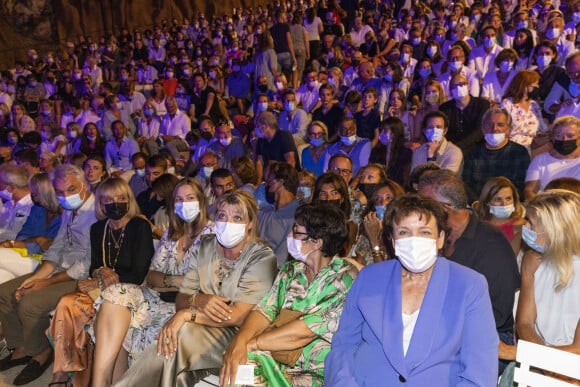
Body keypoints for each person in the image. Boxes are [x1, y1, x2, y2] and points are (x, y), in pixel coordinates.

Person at [325, 194, 498, 385]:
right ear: (392, 240)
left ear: (440, 239)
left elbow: (480, 372)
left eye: (424, 232)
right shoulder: (369, 278)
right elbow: (344, 345)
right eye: (404, 232)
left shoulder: (470, 285)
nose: (414, 241)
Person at [112, 190, 278, 387]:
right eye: (222, 216)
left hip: (239, 336)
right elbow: (182, 298)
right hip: (203, 328)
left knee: (182, 332)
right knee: (176, 351)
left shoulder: (262, 257)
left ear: (250, 224)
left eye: (237, 217)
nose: (228, 223)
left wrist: (187, 315)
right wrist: (198, 300)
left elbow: (237, 316)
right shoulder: (207, 245)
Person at [91, 178, 214, 387]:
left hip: (188, 304)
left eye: (190, 198)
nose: (184, 204)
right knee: (115, 295)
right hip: (157, 296)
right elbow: (150, 277)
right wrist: (177, 280)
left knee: (128, 319)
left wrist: (167, 281)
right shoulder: (171, 233)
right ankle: (100, 382)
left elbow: (203, 285)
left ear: (201, 201)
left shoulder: (213, 235)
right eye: (178, 199)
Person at [221, 203, 358, 386]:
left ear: (317, 242)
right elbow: (264, 311)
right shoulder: (291, 270)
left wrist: (251, 344)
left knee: (245, 361)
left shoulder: (344, 278)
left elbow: (305, 331)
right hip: (279, 361)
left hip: (316, 373)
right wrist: (240, 342)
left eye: (296, 232)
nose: (289, 236)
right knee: (239, 362)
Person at [48, 177, 154, 386]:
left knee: (73, 306)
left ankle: (79, 378)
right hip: (103, 289)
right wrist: (100, 272)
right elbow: (94, 266)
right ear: (101, 203)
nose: (115, 203)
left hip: (129, 291)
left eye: (121, 197)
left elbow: (138, 273)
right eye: (108, 199)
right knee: (65, 303)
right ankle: (61, 372)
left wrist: (99, 282)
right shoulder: (98, 228)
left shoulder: (139, 226)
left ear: (129, 199)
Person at [0, 164, 97, 386]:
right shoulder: (69, 210)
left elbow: (86, 264)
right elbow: (56, 247)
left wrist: (47, 282)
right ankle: (21, 347)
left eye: (71, 189)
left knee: (30, 303)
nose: (65, 196)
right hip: (58, 268)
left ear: (84, 185)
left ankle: (41, 352)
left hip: (80, 277)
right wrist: (36, 278)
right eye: (60, 192)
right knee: (7, 292)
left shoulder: (95, 213)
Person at [418, 169, 520, 373]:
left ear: (443, 208)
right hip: (441, 329)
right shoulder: (430, 238)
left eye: (423, 204)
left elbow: (497, 313)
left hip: (489, 336)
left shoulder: (490, 241)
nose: (417, 211)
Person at [517, 190, 580, 354]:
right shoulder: (531, 261)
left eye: (531, 223)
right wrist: (541, 364)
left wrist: (516, 353)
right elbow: (525, 324)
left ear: (555, 230)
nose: (525, 227)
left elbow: (578, 348)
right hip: (543, 356)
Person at [0, 172, 61, 284]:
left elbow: (52, 247)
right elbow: (23, 235)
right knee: (2, 275)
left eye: (35, 191)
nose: (32, 194)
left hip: (48, 265)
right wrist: (36, 240)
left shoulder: (66, 214)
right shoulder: (38, 209)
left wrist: (25, 243)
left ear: (47, 193)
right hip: (28, 255)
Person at [462, 107, 530, 202]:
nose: (494, 129)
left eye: (500, 125)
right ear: (483, 128)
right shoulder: (473, 153)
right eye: (489, 124)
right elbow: (467, 185)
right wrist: (476, 203)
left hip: (508, 205)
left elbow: (520, 185)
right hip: (480, 205)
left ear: (508, 130)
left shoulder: (519, 152)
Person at [524, 116, 580, 201]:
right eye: (558, 135)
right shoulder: (540, 160)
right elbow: (529, 191)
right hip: (547, 208)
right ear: (552, 138)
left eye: (570, 135)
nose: (564, 139)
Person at [258, 161, 300, 265]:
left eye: (270, 179)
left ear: (280, 182)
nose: (267, 183)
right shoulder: (264, 211)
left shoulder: (297, 214)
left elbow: (284, 253)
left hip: (275, 271)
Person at [438, 73, 490, 155]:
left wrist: (459, 146)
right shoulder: (444, 108)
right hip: (451, 150)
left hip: (477, 149)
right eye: (454, 86)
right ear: (450, 91)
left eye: (462, 84)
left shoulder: (482, 104)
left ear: (469, 86)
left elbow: (480, 131)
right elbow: (445, 131)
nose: (459, 87)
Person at [472, 177, 526, 255]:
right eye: (498, 199)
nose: (504, 204)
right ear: (487, 201)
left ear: (514, 200)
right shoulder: (476, 224)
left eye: (508, 198)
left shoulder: (523, 226)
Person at [500, 70, 548, 152]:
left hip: (533, 145)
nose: (537, 87)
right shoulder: (507, 103)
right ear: (524, 85)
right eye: (535, 84)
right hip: (513, 146)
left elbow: (542, 128)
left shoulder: (534, 105)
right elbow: (503, 129)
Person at [254, 111, 299, 182]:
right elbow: (259, 162)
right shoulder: (261, 140)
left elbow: (291, 161)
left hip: (286, 178)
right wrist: (259, 181)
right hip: (270, 178)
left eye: (257, 126)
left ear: (265, 125)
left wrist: (282, 181)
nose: (256, 129)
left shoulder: (284, 136)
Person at [369, 117, 412, 188]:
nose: (381, 133)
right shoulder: (376, 151)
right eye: (381, 130)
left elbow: (405, 177)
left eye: (385, 130)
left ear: (394, 133)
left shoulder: (406, 153)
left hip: (397, 188)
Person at [0, 164, 33, 241]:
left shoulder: (33, 207)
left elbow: (28, 238)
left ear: (12, 187)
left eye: (0, 185)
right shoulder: (8, 205)